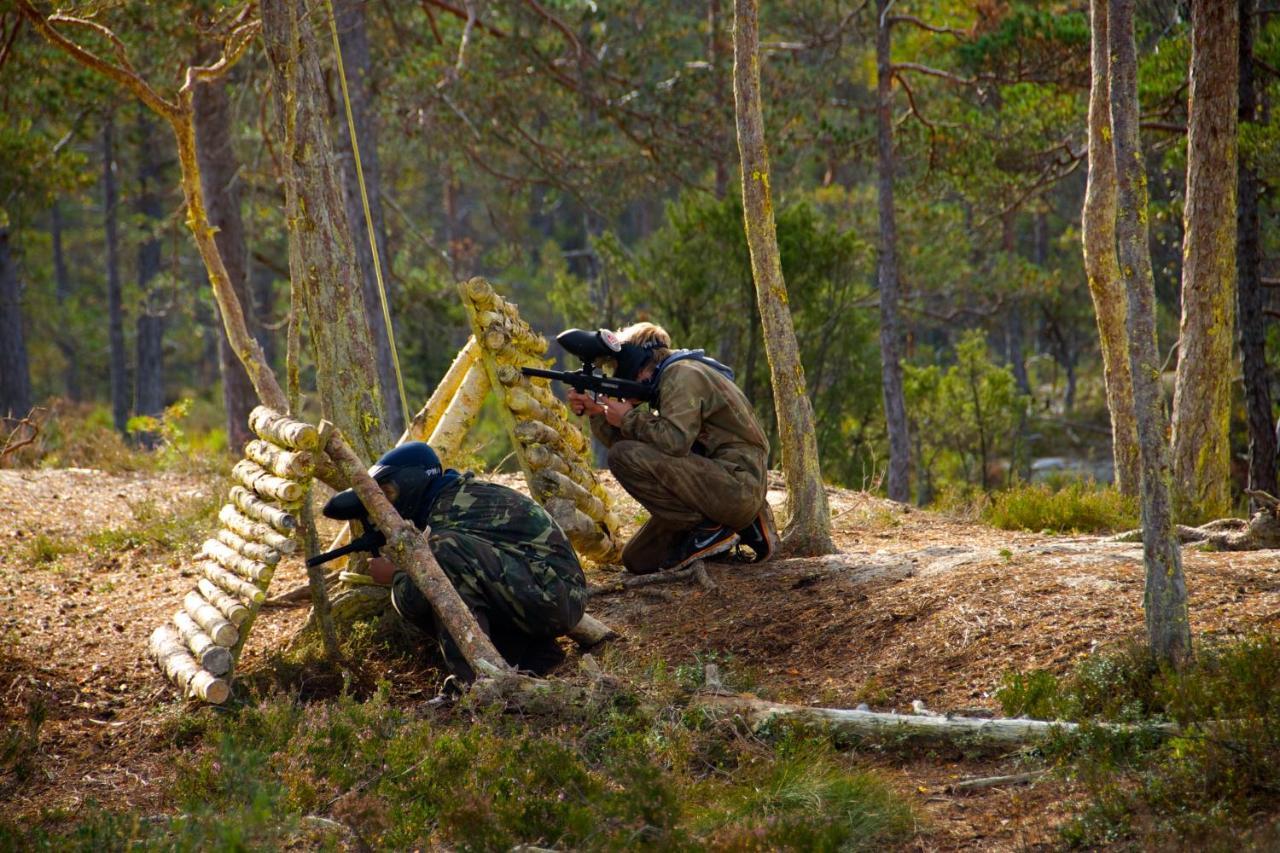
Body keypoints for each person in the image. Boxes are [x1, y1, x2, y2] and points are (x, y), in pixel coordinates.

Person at [323, 442, 587, 680]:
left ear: (412, 482)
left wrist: (396, 576)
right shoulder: (453, 497)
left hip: (555, 597)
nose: (387, 508)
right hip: (551, 594)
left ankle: (475, 681)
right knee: (448, 564)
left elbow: (419, 596)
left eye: (389, 494)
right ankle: (534, 657)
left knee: (439, 555)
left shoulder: (450, 510)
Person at [566, 322, 778, 574]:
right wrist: (598, 414)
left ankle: (716, 528)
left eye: (618, 367)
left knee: (621, 456)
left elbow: (673, 442)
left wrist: (629, 418)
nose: (617, 374)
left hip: (737, 485)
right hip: (714, 485)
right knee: (637, 560)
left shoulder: (682, 374)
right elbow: (646, 451)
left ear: (637, 361)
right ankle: (734, 526)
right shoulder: (672, 376)